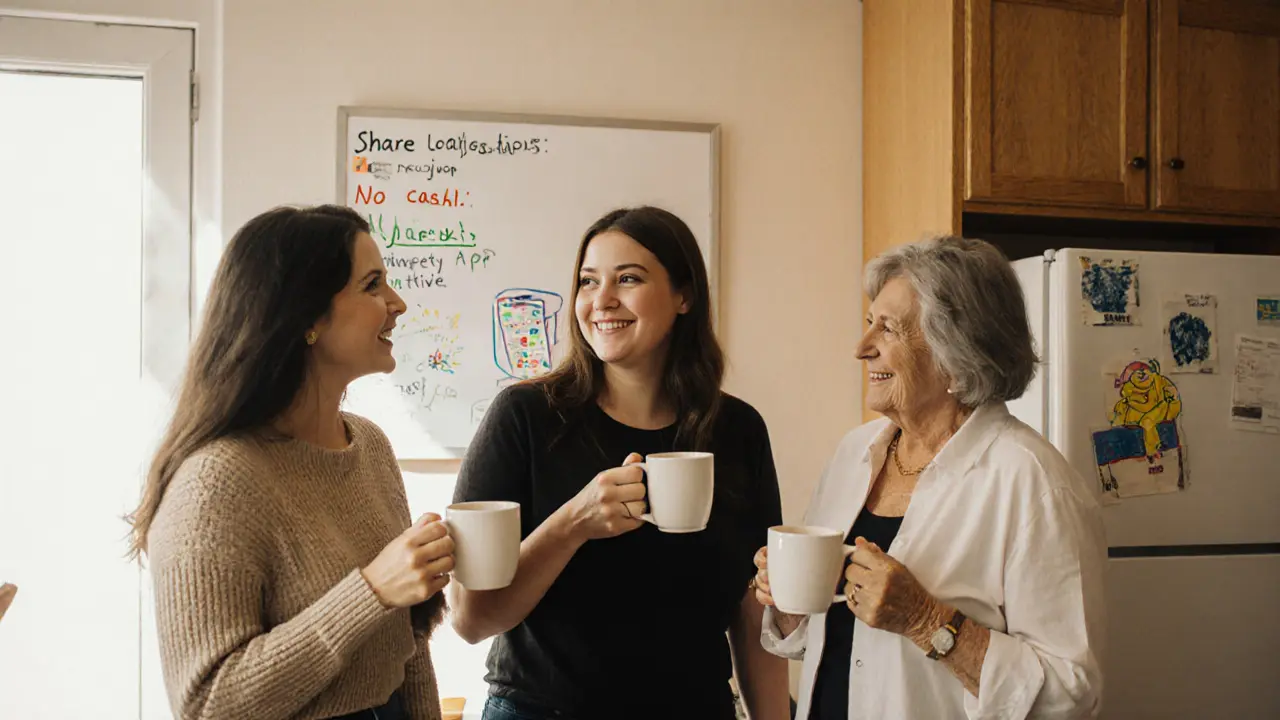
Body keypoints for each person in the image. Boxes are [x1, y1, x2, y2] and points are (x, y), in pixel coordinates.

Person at [450, 206, 790, 720]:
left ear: (684, 296)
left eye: (628, 279)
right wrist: (573, 524)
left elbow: (753, 607)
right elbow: (470, 619)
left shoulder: (737, 430)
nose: (601, 300)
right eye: (588, 282)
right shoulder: (525, 417)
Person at [753, 235, 1106, 719]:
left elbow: (1071, 693)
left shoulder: (1033, 481)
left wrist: (927, 621)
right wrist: (789, 595)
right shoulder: (855, 452)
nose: (862, 348)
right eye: (868, 324)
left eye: (889, 330)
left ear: (955, 351)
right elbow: (833, 642)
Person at [127, 205, 454, 720]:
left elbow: (406, 649)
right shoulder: (215, 484)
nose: (398, 303)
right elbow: (208, 705)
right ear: (306, 318)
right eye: (372, 285)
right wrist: (371, 592)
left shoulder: (369, 447)